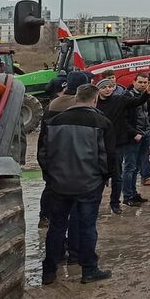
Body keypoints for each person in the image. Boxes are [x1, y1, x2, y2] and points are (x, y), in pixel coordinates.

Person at [38, 84, 112, 285]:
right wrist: (104, 178)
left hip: (59, 184)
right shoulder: (101, 122)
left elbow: (42, 154)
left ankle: (49, 271)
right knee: (87, 227)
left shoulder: (53, 122)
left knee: (56, 226)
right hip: (89, 184)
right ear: (95, 99)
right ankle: (89, 269)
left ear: (76, 98)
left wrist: (51, 177)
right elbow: (107, 156)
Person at [39, 69, 91, 228]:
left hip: (54, 157)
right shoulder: (82, 106)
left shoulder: (53, 105)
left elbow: (43, 136)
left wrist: (44, 161)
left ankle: (45, 216)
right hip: (77, 160)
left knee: (50, 189)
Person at [95, 77, 129, 214]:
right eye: (104, 87)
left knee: (117, 175)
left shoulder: (118, 100)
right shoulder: (95, 104)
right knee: (100, 176)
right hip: (99, 145)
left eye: (110, 87)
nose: (108, 89)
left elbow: (135, 103)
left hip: (116, 144)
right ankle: (95, 202)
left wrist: (146, 95)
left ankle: (115, 202)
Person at [123, 73, 150, 205]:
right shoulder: (127, 97)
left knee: (138, 166)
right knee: (130, 167)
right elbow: (123, 120)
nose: (142, 85)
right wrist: (133, 133)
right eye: (140, 82)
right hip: (133, 137)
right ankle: (127, 196)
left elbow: (148, 113)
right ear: (134, 82)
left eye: (145, 82)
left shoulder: (147, 96)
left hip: (145, 134)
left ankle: (134, 193)